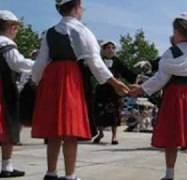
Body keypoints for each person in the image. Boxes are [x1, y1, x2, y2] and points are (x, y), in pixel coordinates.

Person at [31, 1, 129, 180]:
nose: (83, 10)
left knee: (54, 130)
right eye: (82, 7)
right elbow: (94, 61)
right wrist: (114, 82)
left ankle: (50, 173)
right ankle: (70, 176)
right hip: (71, 77)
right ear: (76, 8)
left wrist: (35, 81)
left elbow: (40, 62)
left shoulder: (50, 33)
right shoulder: (81, 30)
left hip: (52, 77)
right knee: (70, 129)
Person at [130, 12, 187, 180]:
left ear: (179, 32)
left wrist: (141, 89)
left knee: (171, 137)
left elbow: (160, 79)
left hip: (175, 95)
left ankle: (169, 174)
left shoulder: (170, 53)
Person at [0, 10, 35, 178]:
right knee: (7, 127)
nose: (17, 30)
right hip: (3, 91)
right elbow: (17, 63)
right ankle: (6, 167)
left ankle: (7, 167)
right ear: (8, 26)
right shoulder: (5, 42)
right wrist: (40, 64)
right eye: (15, 27)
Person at [93, 40, 136, 144]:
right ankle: (100, 133)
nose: (110, 50)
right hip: (101, 89)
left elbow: (127, 72)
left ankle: (114, 136)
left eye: (112, 48)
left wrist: (135, 80)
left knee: (115, 113)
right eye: (108, 48)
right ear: (103, 50)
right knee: (99, 112)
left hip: (114, 90)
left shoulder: (117, 61)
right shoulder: (99, 60)